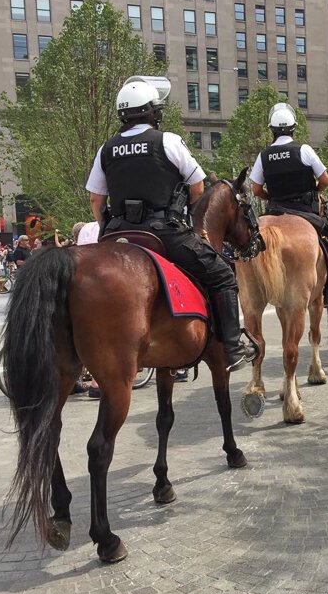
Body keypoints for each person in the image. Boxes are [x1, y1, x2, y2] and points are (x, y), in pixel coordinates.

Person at [86, 75, 258, 372]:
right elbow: (198, 185)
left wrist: (107, 229)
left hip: (117, 235)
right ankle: (232, 347)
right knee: (222, 276)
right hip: (162, 233)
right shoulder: (167, 141)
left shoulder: (106, 148)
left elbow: (95, 201)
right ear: (152, 112)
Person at [250, 102, 328, 308]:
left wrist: (271, 197)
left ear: (271, 130)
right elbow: (325, 180)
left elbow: (255, 189)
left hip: (274, 210)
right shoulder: (304, 150)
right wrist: (312, 193)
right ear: (294, 127)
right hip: (304, 211)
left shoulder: (263, 156)